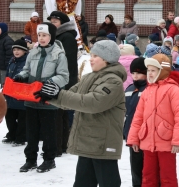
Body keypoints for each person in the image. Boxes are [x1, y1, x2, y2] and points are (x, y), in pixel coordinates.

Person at [34, 40, 126, 186]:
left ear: (106, 59)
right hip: (87, 141)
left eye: (95, 56)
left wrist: (59, 95)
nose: (90, 59)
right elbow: (70, 97)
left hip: (103, 143)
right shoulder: (89, 77)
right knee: (82, 183)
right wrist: (50, 96)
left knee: (108, 183)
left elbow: (92, 103)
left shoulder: (113, 81)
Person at [14, 23, 69, 173]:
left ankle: (49, 160)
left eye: (45, 35)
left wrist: (49, 83)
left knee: (48, 132)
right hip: (31, 99)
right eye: (39, 35)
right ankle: (30, 160)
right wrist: (21, 77)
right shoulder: (33, 52)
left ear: (51, 36)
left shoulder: (59, 54)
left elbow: (64, 77)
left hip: (48, 99)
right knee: (31, 131)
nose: (41, 38)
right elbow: (26, 70)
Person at [127, 54, 179, 187]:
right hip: (148, 141)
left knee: (168, 177)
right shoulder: (147, 91)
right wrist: (133, 139)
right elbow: (138, 117)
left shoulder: (174, 90)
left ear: (163, 71)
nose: (149, 73)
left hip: (166, 143)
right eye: (148, 70)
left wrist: (178, 141)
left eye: (153, 70)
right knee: (148, 176)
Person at [48, 11, 78, 157]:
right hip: (60, 78)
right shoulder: (57, 37)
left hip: (64, 79)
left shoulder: (66, 37)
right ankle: (62, 144)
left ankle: (59, 145)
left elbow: (67, 62)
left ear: (63, 23)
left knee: (60, 114)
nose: (52, 24)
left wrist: (64, 81)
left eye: (55, 22)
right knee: (61, 114)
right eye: (51, 21)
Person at [123, 57, 148, 187]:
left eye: (139, 72)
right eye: (133, 73)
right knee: (136, 170)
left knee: (148, 171)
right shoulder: (129, 89)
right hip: (132, 135)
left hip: (146, 136)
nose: (135, 76)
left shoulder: (149, 89)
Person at [3, 39, 29, 146]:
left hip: (22, 94)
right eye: (14, 49)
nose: (16, 52)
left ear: (24, 51)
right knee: (9, 116)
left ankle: (20, 138)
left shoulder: (27, 62)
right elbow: (7, 76)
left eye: (19, 50)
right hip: (10, 94)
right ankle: (11, 134)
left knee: (22, 118)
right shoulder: (12, 60)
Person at [0, 23, 14, 88]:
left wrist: (7, 66)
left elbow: (10, 55)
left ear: (3, 30)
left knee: (5, 85)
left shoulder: (7, 40)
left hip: (5, 68)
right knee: (2, 83)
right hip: (1, 67)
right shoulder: (0, 40)